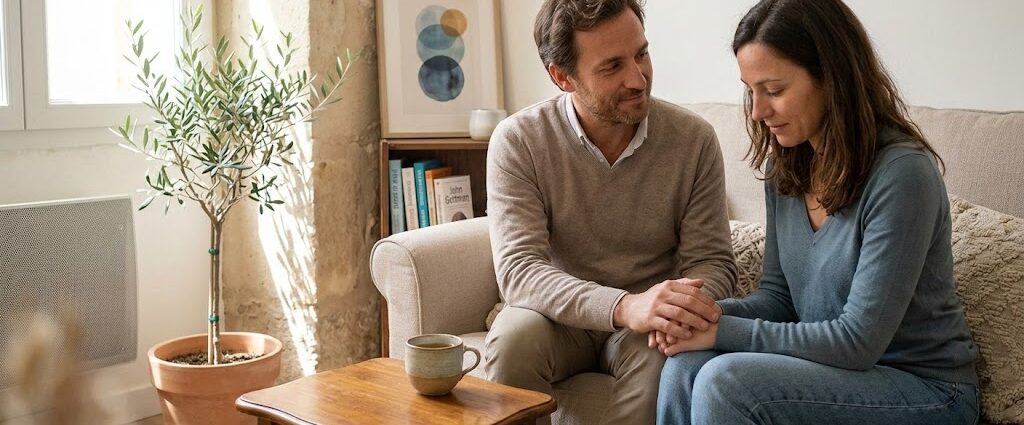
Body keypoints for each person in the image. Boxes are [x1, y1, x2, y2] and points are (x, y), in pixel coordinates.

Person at [654, 0, 980, 424]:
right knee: (685, 366)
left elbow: (857, 342)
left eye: (774, 91)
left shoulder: (903, 175)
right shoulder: (785, 170)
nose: (757, 111)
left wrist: (721, 331)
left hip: (926, 389)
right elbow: (780, 300)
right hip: (834, 373)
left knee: (725, 381)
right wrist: (695, 316)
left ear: (831, 79)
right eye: (750, 90)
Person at [484, 0, 737, 423]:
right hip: (556, 317)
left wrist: (675, 308)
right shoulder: (520, 141)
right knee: (514, 341)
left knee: (663, 357)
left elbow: (713, 263)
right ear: (562, 77)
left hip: (648, 324)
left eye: (642, 54)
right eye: (612, 66)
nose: (638, 79)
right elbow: (519, 271)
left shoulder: (694, 141)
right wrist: (623, 306)